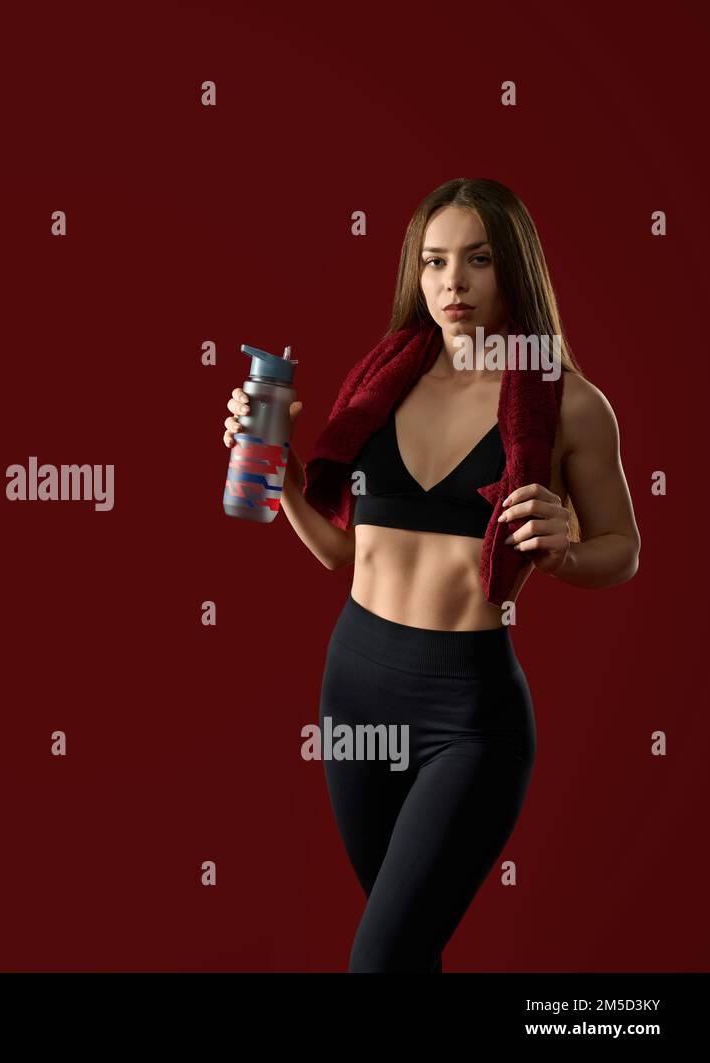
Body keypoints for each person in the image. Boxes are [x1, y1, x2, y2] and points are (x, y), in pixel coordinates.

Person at [223, 178, 641, 972]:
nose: (453, 282)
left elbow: (622, 546)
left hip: (469, 717)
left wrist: (565, 549)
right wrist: (273, 472)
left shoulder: (571, 404)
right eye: (434, 261)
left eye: (478, 260)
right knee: (408, 953)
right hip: (353, 691)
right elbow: (342, 554)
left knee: (380, 958)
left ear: (513, 268)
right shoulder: (383, 383)